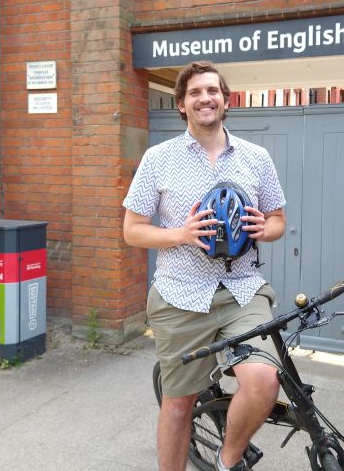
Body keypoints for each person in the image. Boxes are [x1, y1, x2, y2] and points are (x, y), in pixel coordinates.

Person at [122, 61, 287, 471]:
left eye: (212, 91)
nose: (205, 98)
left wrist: (265, 228)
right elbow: (133, 230)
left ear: (226, 100)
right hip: (180, 294)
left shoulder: (256, 157)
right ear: (181, 104)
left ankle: (227, 460)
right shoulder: (158, 159)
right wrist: (182, 234)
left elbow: (279, 221)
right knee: (179, 405)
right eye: (194, 93)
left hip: (243, 290)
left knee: (265, 381)